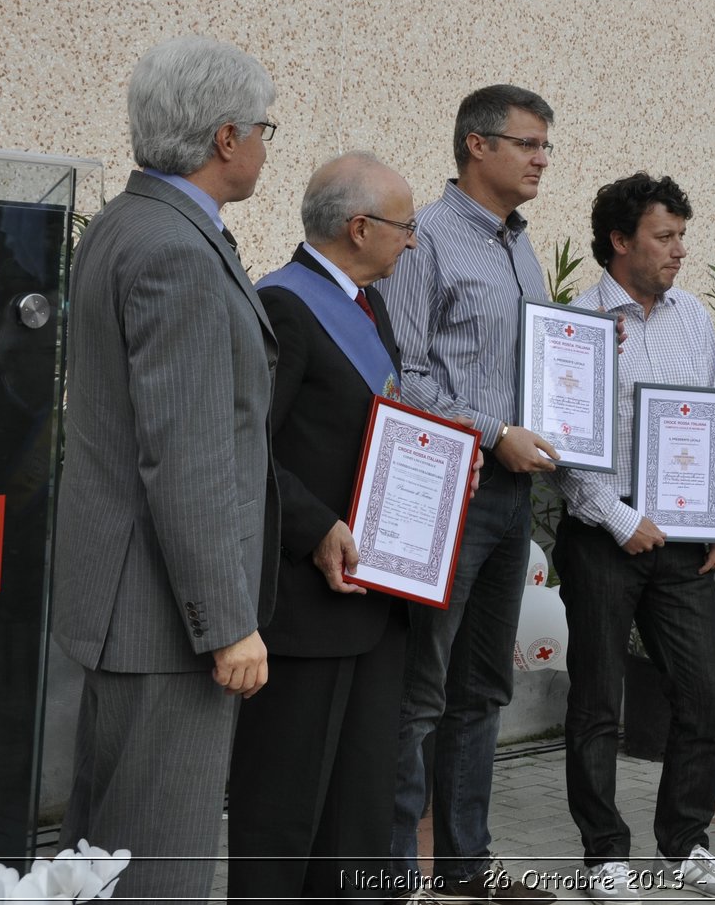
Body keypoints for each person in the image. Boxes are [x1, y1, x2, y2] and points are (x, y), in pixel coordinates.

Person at [51, 36, 280, 902]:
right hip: (164, 615)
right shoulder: (176, 248)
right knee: (158, 859)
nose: (265, 143)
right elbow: (184, 455)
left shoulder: (129, 222)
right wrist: (225, 621)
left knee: (103, 852)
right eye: (264, 127)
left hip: (130, 604)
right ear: (226, 138)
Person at [378, 85, 560, 902]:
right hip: (448, 487)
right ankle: (390, 873)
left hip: (513, 496)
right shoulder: (425, 239)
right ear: (476, 146)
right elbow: (404, 375)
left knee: (483, 687)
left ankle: (465, 867)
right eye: (528, 143)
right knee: (420, 690)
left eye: (546, 146)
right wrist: (492, 432)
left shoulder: (522, 248)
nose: (541, 159)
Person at [226, 153, 424, 899]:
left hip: (374, 607)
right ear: (359, 226)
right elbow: (246, 449)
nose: (412, 243)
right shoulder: (283, 304)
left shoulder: (368, 307)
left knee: (358, 812)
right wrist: (313, 525)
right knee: (283, 813)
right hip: (304, 608)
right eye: (406, 228)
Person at [551, 173, 715, 902]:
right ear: (620, 240)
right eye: (664, 237)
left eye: (680, 237)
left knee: (706, 695)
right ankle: (604, 853)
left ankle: (686, 842)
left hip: (680, 540)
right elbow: (562, 442)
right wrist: (618, 516)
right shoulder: (576, 323)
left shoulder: (692, 316)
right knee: (599, 701)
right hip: (605, 534)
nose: (677, 251)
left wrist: (713, 516)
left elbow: (708, 418)